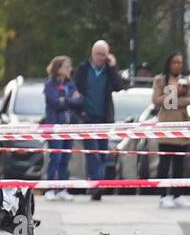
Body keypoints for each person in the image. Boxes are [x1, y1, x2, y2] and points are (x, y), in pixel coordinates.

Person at [72, 39, 127, 201]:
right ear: (92, 53)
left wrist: (113, 67)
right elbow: (75, 89)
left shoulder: (108, 71)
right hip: (87, 118)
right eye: (99, 54)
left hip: (104, 119)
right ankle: (97, 185)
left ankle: (97, 182)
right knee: (93, 153)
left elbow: (119, 86)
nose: (101, 57)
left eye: (104, 54)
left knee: (102, 153)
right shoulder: (83, 70)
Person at [152, 52, 190, 208]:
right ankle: (163, 195)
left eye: (180, 63)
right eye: (174, 62)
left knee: (179, 163)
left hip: (182, 126)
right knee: (164, 163)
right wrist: (174, 94)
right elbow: (157, 101)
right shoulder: (161, 80)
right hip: (166, 126)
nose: (178, 65)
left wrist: (175, 100)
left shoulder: (186, 81)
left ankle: (178, 194)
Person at [43, 55, 83, 200]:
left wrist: (65, 100)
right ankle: (50, 188)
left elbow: (79, 101)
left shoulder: (70, 84)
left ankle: (62, 189)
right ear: (58, 68)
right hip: (55, 126)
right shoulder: (49, 84)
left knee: (66, 157)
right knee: (56, 157)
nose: (69, 69)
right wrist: (70, 99)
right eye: (66, 67)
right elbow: (54, 102)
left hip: (69, 126)